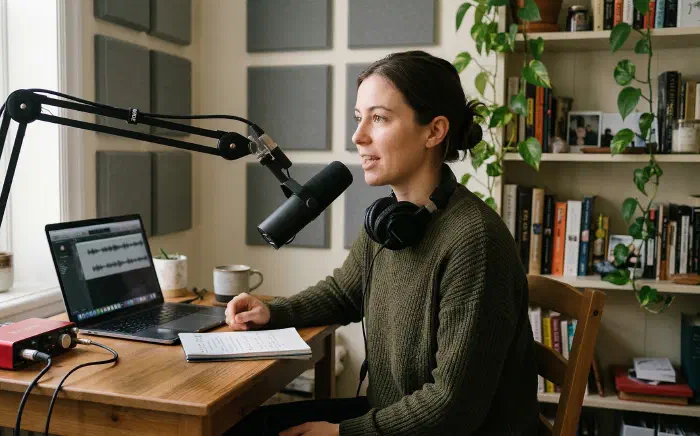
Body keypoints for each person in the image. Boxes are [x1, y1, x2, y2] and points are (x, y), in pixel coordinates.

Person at [224, 50, 539, 436]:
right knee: (242, 425)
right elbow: (344, 293)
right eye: (359, 119)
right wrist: (273, 312)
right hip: (396, 415)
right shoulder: (391, 221)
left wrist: (342, 434)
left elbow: (452, 408)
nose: (358, 137)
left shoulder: (474, 242)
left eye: (379, 118)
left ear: (434, 131)